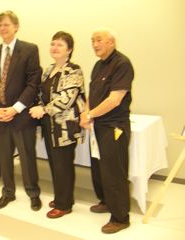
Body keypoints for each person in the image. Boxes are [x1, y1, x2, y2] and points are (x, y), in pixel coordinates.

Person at [0, 10, 42, 210]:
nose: (3, 28)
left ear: (16, 27)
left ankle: (33, 192)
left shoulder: (29, 50)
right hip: (0, 117)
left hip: (22, 116)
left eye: (7, 24)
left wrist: (15, 109)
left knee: (27, 158)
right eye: (0, 25)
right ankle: (8, 192)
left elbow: (33, 84)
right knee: (4, 158)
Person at [80, 28, 134, 234]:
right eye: (92, 40)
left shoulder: (122, 64)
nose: (95, 44)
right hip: (98, 125)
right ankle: (106, 201)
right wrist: (86, 113)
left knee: (114, 171)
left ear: (112, 42)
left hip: (113, 126)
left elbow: (115, 99)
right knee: (100, 168)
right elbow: (92, 94)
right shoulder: (98, 65)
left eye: (99, 40)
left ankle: (121, 217)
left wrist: (90, 115)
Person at [30, 31, 86, 218]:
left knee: (63, 166)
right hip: (49, 126)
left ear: (69, 50)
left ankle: (64, 204)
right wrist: (38, 106)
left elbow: (67, 99)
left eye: (60, 45)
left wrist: (43, 110)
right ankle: (62, 196)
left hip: (64, 127)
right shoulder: (48, 70)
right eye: (53, 44)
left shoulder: (74, 70)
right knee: (55, 164)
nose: (55, 48)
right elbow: (41, 95)